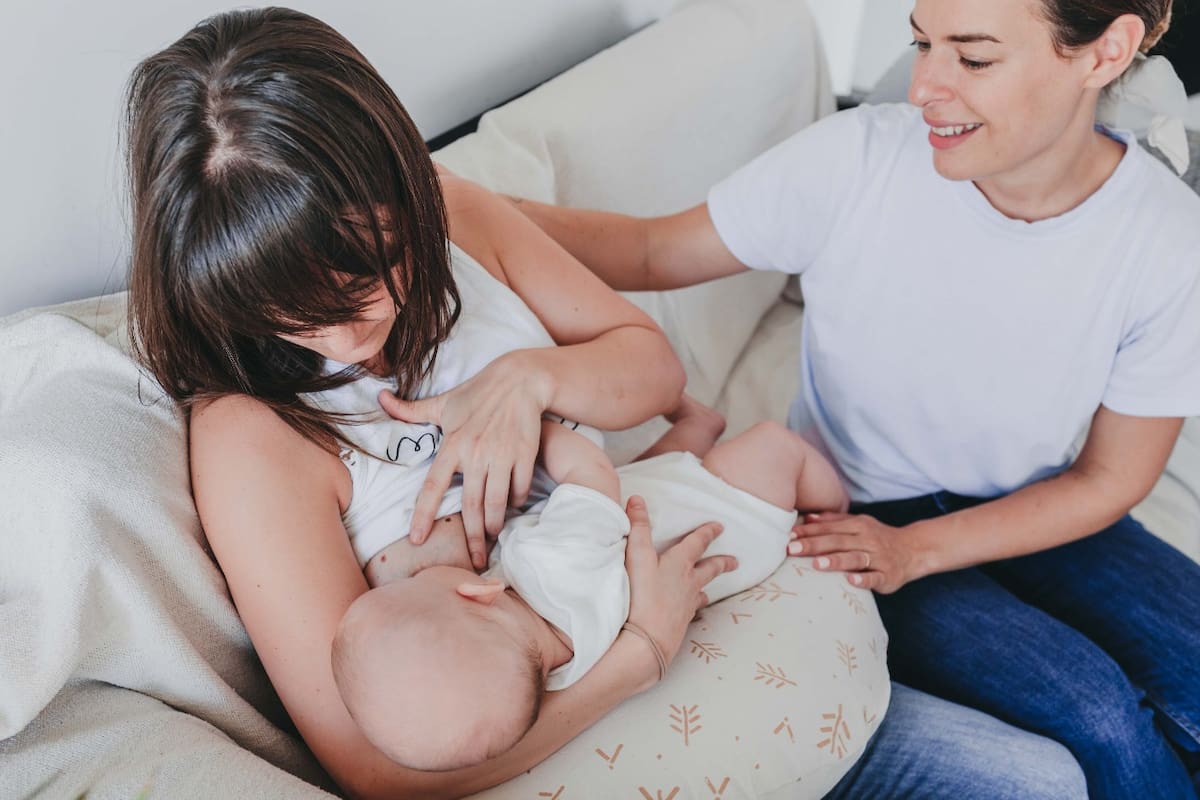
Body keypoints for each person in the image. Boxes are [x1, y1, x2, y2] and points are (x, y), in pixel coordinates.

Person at [125, 6, 1091, 800]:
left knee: (1045, 776)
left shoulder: (457, 217)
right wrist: (639, 652)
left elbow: (653, 371)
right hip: (585, 708)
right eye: (296, 320)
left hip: (692, 597)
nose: (351, 342)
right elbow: (376, 768)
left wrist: (526, 381)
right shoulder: (251, 436)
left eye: (371, 279)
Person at [494, 0, 1200, 796]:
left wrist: (926, 551)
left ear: (1107, 52)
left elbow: (1109, 479)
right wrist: (466, 204)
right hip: (857, 520)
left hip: (1046, 508)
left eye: (972, 59)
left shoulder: (1170, 243)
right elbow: (653, 249)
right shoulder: (858, 161)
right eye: (920, 43)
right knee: (1099, 716)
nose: (924, 85)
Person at [332, 411, 845, 772]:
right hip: (734, 508)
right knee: (775, 443)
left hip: (706, 549)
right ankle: (837, 508)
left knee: (627, 500)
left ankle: (698, 429)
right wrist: (532, 429)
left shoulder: (555, 675)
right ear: (477, 594)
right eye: (419, 582)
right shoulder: (550, 562)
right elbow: (593, 475)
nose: (421, 573)